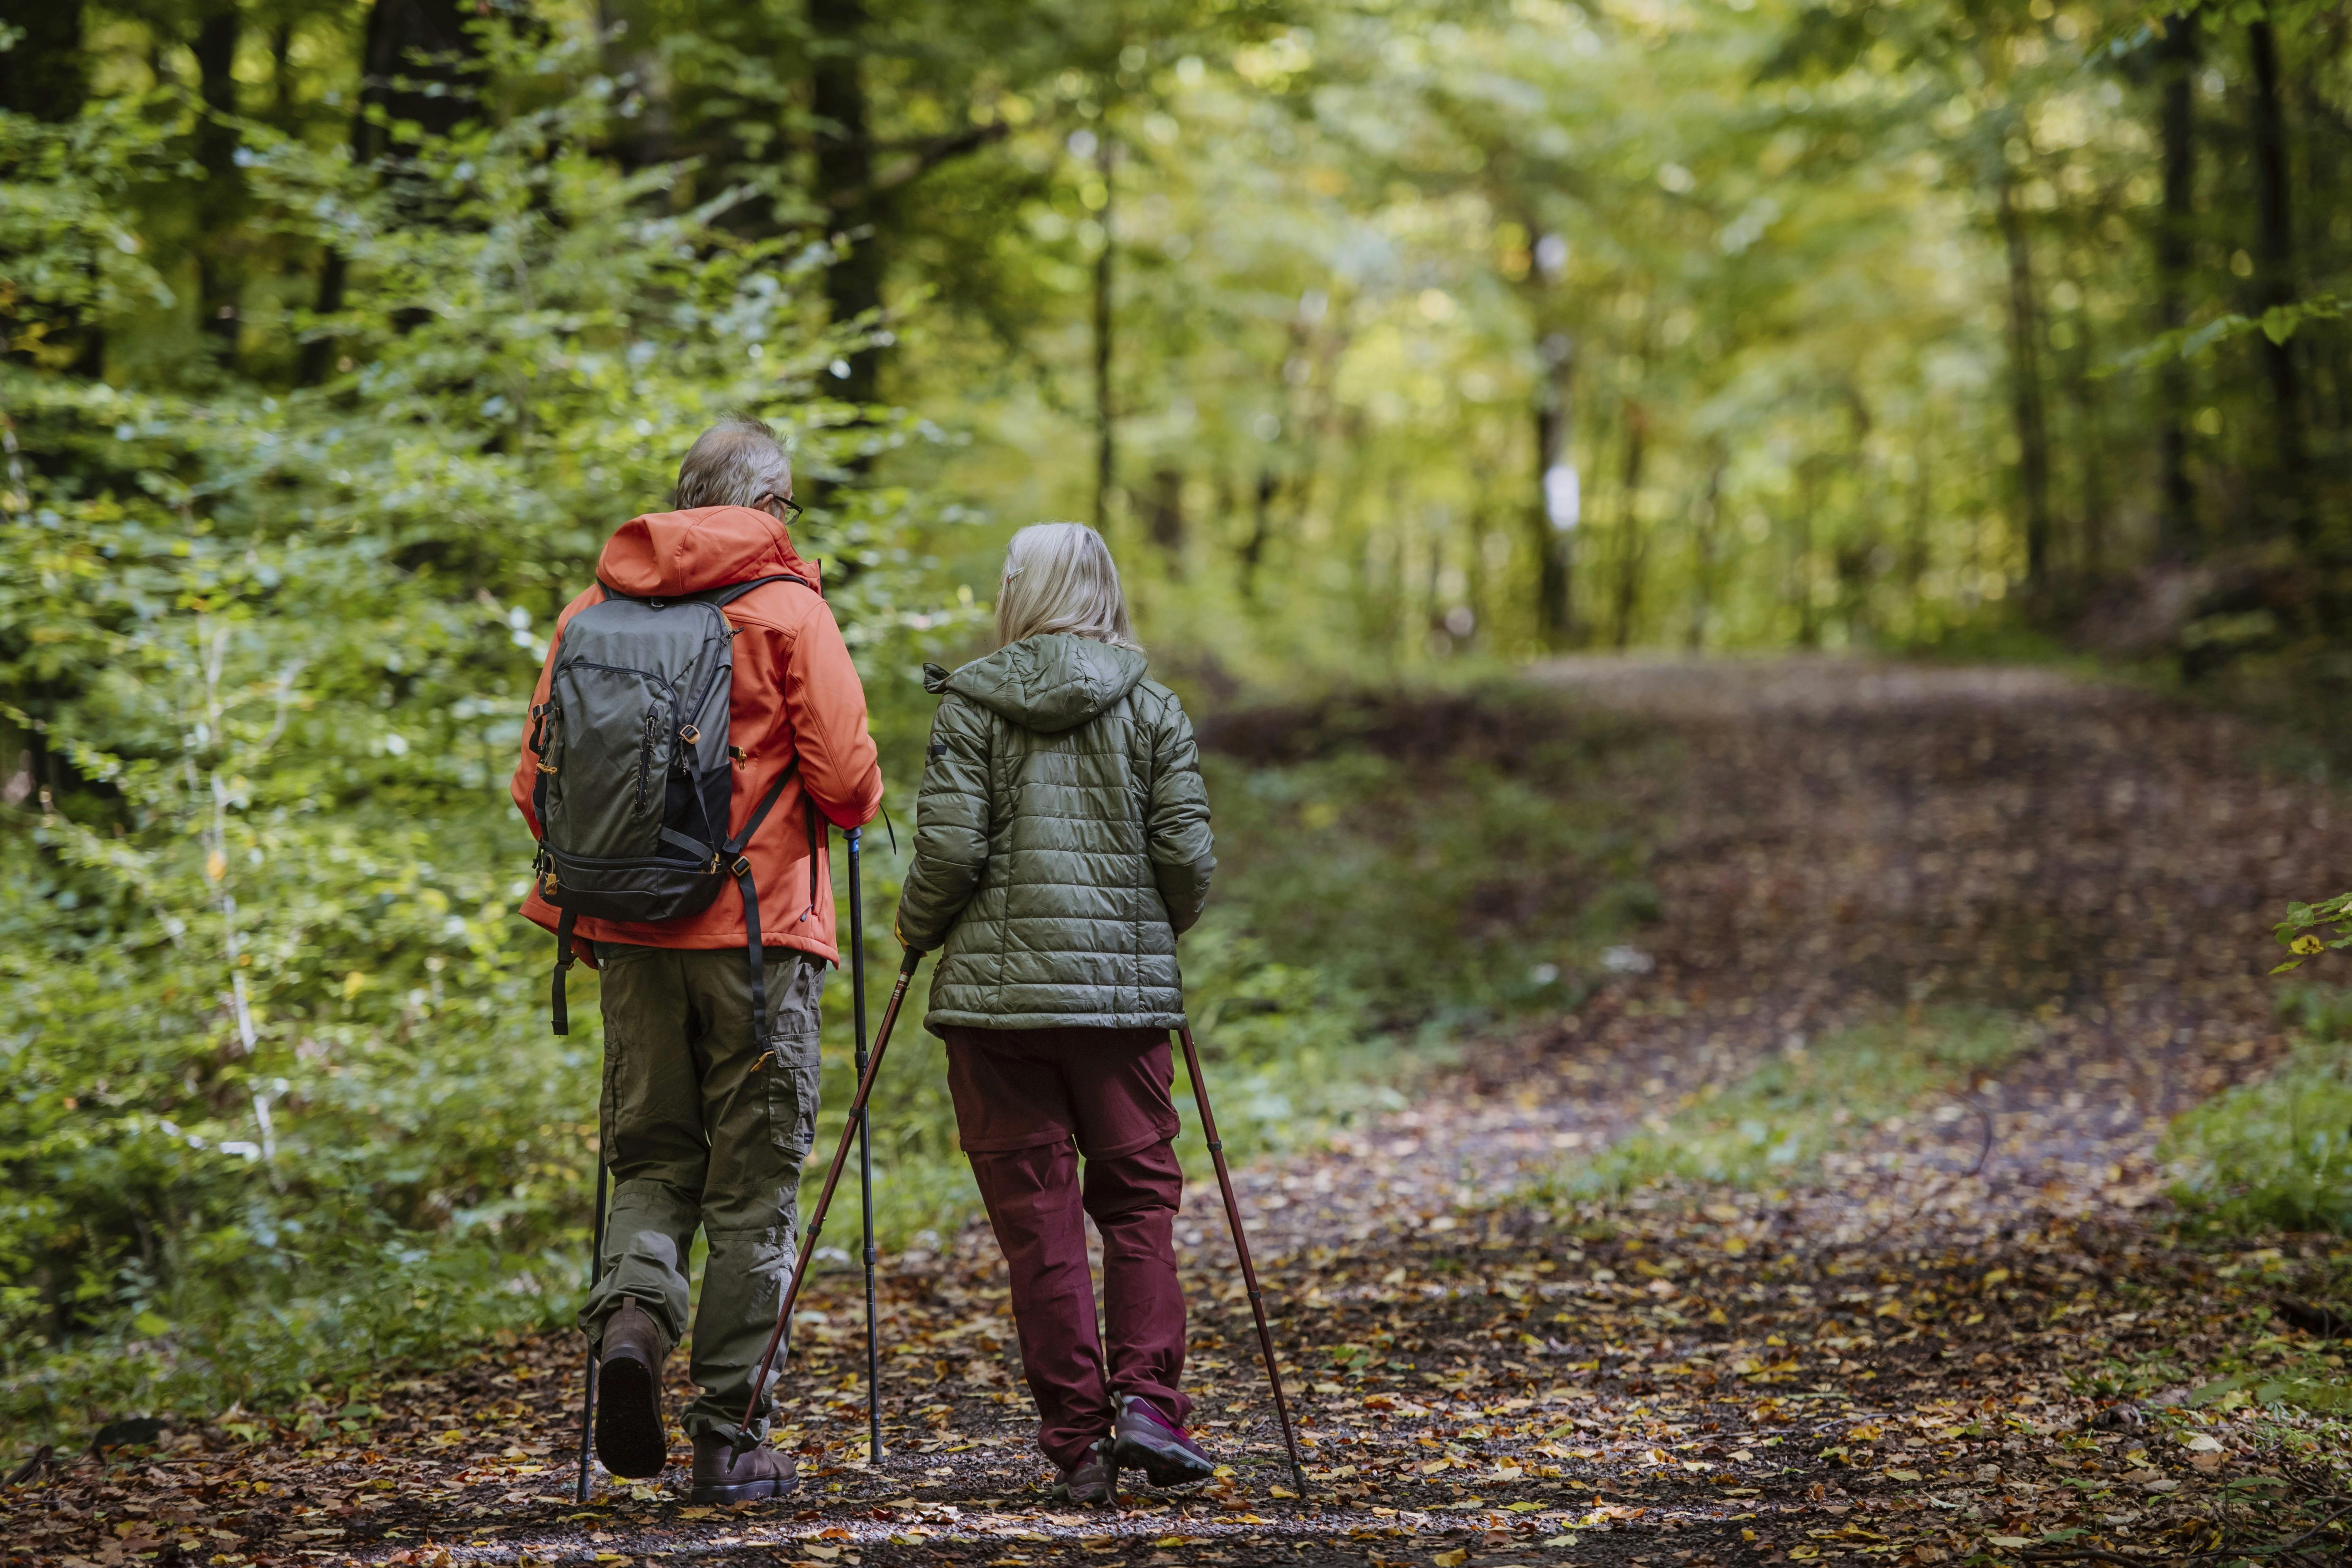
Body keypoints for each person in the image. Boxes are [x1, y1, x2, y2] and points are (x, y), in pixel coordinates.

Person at [509, 415, 883, 1502]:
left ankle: (632, 1318)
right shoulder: (785, 610)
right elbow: (850, 783)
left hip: (626, 937)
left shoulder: (593, 611)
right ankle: (729, 1435)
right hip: (758, 941)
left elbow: (538, 786)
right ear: (769, 508)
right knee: (754, 1190)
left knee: (654, 1159)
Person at [894, 522, 1218, 1504]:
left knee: (1038, 1220)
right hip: (1120, 1006)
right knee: (1137, 1203)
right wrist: (1157, 931)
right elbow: (1188, 858)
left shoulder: (970, 707)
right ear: (1105, 587)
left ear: (1015, 592)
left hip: (997, 1011)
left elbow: (948, 858)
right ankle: (1149, 1406)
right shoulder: (1154, 706)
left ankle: (1079, 1442)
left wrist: (917, 932)